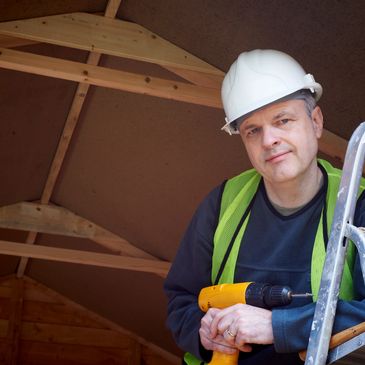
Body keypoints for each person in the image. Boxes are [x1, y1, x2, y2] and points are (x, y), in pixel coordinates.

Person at [163, 49, 365, 364]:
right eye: (252, 131)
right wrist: (201, 332)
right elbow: (181, 299)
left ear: (315, 122)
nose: (268, 139)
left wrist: (277, 326)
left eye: (282, 120)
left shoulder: (357, 202)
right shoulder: (222, 204)